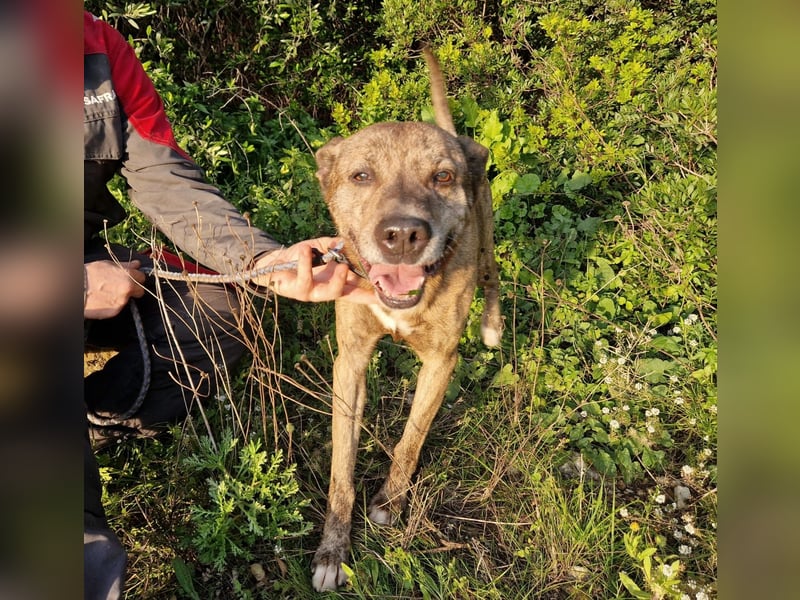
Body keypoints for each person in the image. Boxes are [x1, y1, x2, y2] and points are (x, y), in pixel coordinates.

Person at [83, 11, 372, 599]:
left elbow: (166, 182)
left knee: (227, 305)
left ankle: (100, 417)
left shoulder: (97, 48)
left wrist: (263, 263)